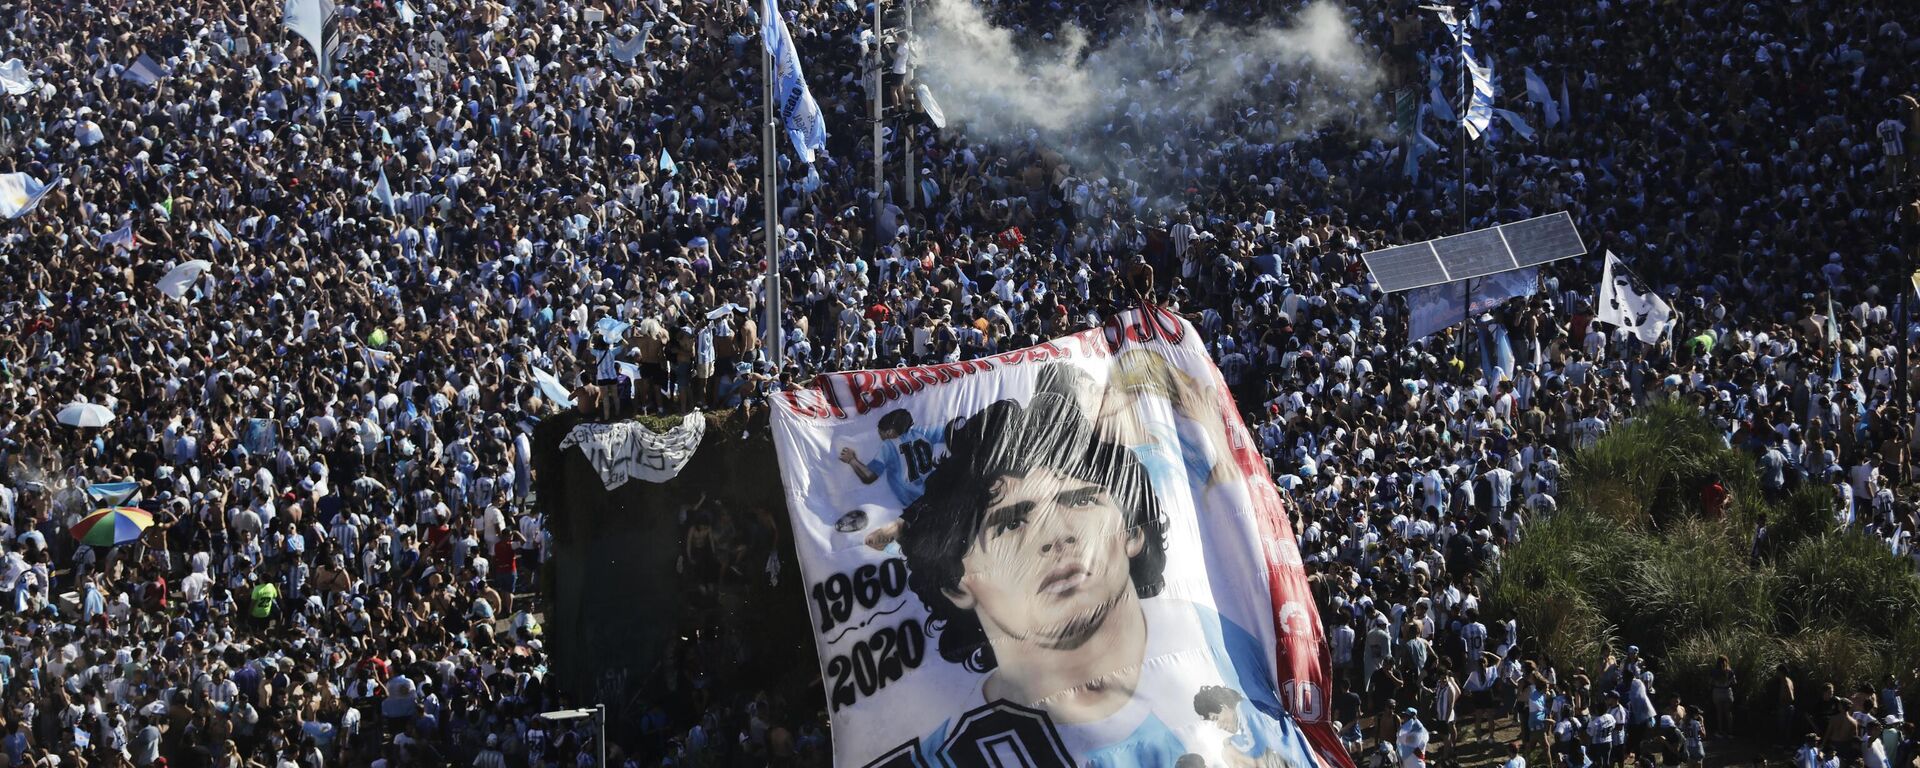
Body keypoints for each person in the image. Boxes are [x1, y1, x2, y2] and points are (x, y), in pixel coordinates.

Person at [894, 395, 1318, 766]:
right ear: (956, 581)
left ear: (1133, 530)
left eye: (1079, 500)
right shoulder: (939, 755)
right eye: (1010, 524)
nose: (1056, 536)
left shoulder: (1231, 644)